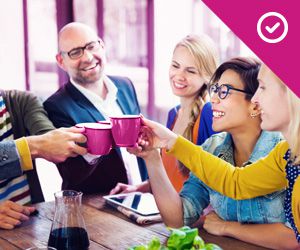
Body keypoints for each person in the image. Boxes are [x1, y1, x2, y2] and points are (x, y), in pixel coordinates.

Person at [127, 58, 296, 249]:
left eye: (224, 92)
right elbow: (179, 219)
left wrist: (226, 227)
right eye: (215, 90)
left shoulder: (288, 152)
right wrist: (152, 157)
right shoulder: (213, 148)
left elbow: (295, 237)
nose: (213, 99)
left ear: (255, 106)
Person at [44, 22, 147, 194]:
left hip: (141, 199)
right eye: (75, 52)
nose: (87, 57)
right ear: (61, 61)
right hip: (96, 209)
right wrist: (96, 145)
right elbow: (71, 173)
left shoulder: (126, 85)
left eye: (91, 46)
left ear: (102, 45)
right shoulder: (56, 106)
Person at [110, 34, 218, 195]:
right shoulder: (173, 114)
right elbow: (171, 176)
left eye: (190, 71)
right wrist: (137, 189)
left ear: (207, 77)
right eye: (175, 66)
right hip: (169, 214)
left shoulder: (209, 114)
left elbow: (218, 180)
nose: (179, 76)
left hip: (193, 218)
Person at [0, 89, 87, 230]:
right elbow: (43, 142)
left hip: (24, 226)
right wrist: (34, 146)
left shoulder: (20, 100)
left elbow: (49, 137)